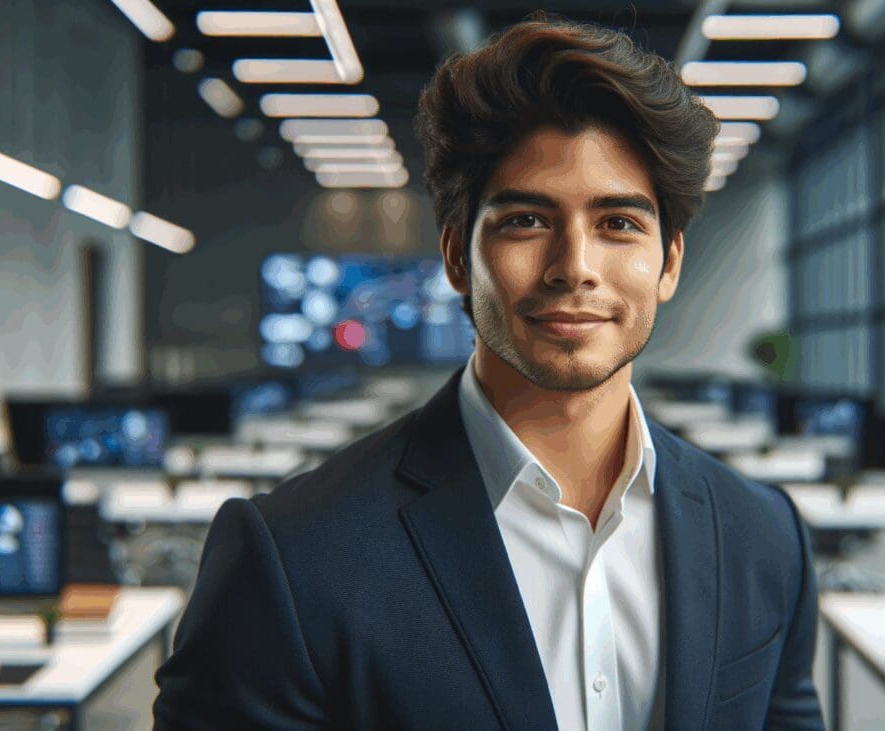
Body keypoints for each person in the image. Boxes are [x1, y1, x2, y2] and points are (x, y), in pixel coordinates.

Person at [153, 14, 822, 731]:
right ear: (456, 256)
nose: (575, 267)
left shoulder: (764, 537)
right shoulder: (291, 557)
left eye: (619, 224)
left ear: (669, 263)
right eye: (527, 220)